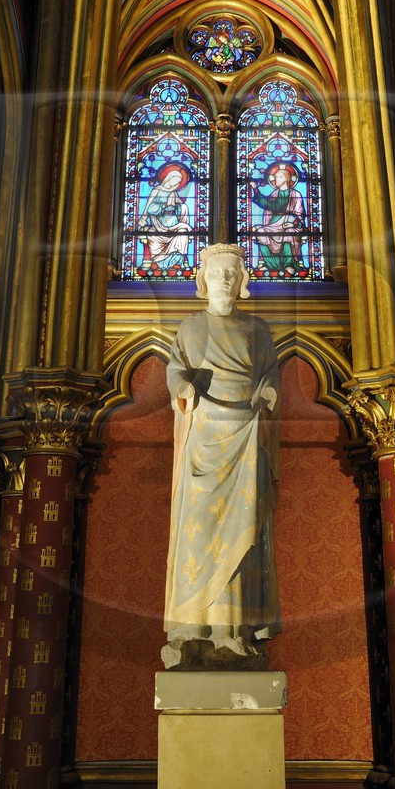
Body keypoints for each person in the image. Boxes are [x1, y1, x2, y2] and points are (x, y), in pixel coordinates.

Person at [162, 244, 280, 670]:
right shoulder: (190, 327)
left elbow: (270, 374)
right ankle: (193, 630)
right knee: (198, 535)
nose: (224, 279)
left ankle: (234, 632)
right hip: (204, 443)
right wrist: (182, 387)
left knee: (242, 534)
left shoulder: (257, 329)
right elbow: (176, 369)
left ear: (242, 280)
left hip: (245, 439)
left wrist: (268, 393)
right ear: (203, 279)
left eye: (232, 272)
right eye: (217, 272)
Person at [249, 161, 304, 276]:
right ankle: (268, 263)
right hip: (274, 223)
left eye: (279, 176)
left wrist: (293, 224)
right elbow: (268, 205)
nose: (276, 179)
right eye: (275, 177)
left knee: (288, 234)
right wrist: (255, 189)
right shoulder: (275, 194)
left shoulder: (296, 194)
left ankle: (288, 264)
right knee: (260, 232)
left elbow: (300, 214)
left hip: (288, 222)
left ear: (287, 178)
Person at [140, 163, 193, 273]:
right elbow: (149, 208)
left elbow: (180, 206)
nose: (176, 183)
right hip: (159, 223)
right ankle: (158, 262)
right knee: (153, 235)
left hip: (174, 222)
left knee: (183, 232)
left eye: (178, 182)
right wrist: (163, 207)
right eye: (175, 180)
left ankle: (177, 262)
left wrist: (179, 207)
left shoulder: (174, 193)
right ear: (169, 178)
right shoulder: (157, 190)